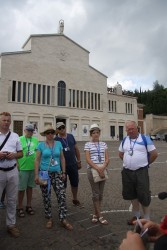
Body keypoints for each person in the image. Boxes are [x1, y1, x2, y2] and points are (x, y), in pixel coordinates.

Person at [118, 121, 158, 225]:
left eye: (132, 128)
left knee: (144, 195)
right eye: (128, 129)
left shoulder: (145, 139)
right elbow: (121, 153)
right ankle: (136, 217)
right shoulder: (125, 140)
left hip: (141, 172)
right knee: (132, 195)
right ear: (126, 130)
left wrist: (145, 163)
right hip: (127, 172)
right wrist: (129, 162)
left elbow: (154, 154)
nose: (130, 131)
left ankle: (147, 219)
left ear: (137, 128)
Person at [34, 125, 73, 230]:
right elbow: (37, 160)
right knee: (46, 196)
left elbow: (62, 158)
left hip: (57, 173)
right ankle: (49, 218)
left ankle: (63, 218)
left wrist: (63, 172)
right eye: (48, 132)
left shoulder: (59, 143)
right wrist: (36, 175)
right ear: (45, 134)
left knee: (62, 195)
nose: (50, 134)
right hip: (44, 173)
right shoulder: (41, 145)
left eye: (52, 132)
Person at [0, 112, 23, 237]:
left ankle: (11, 225)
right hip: (0, 171)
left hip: (13, 171)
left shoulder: (15, 136)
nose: (6, 122)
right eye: (4, 120)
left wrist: (14, 155)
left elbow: (21, 153)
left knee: (12, 199)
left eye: (8, 120)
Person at [84, 124, 110, 224]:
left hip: (102, 169)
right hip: (92, 170)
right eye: (93, 133)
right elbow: (87, 159)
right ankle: (100, 216)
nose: (95, 134)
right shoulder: (87, 144)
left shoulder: (104, 144)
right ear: (91, 134)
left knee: (101, 193)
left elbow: (107, 158)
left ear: (99, 133)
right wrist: (97, 168)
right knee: (96, 193)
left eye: (97, 132)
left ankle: (95, 213)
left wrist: (102, 167)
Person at [55, 122, 83, 207]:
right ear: (57, 130)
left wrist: (79, 161)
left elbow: (76, 149)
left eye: (63, 127)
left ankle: (75, 198)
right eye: (59, 128)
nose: (62, 129)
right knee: (63, 184)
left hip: (73, 164)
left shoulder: (70, 136)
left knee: (75, 183)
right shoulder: (56, 140)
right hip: (62, 166)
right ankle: (63, 200)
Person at [17, 123, 38, 217]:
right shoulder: (19, 139)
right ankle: (20, 207)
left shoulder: (35, 140)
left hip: (32, 168)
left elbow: (38, 153)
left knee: (30, 188)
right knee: (21, 189)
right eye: (28, 130)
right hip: (23, 168)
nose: (30, 132)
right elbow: (15, 152)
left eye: (31, 131)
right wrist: (17, 164)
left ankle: (28, 205)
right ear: (24, 130)